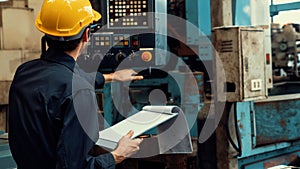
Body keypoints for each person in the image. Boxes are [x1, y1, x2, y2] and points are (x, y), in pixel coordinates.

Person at [8, 0, 143, 169]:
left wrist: (112, 76)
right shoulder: (79, 90)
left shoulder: (24, 72)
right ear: (86, 34)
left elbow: (61, 79)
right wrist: (116, 155)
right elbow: (74, 166)